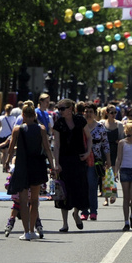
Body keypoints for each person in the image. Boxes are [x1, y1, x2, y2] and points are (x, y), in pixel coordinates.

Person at [7, 102, 53, 241]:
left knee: (22, 200)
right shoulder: (41, 129)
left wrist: (7, 162)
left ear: (23, 116)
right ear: (35, 115)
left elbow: (10, 149)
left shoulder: (17, 129)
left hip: (22, 166)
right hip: (37, 165)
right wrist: (52, 165)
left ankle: (26, 231)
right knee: (34, 200)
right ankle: (32, 230)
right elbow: (47, 148)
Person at [53, 98, 91, 232]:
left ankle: (76, 213)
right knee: (64, 191)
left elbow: (89, 136)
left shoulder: (80, 120)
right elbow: (56, 145)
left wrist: (88, 152)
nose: (60, 111)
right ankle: (65, 223)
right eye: (59, 109)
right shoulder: (58, 124)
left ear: (70, 109)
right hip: (64, 161)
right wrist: (56, 163)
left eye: (62, 108)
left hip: (78, 159)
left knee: (79, 189)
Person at [83, 104, 109, 221]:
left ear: (95, 113)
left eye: (90, 111)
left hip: (95, 161)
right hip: (82, 160)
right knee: (83, 186)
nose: (88, 114)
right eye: (86, 111)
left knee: (92, 186)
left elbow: (105, 144)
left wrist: (108, 160)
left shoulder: (100, 127)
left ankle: (93, 211)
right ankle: (84, 210)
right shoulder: (80, 126)